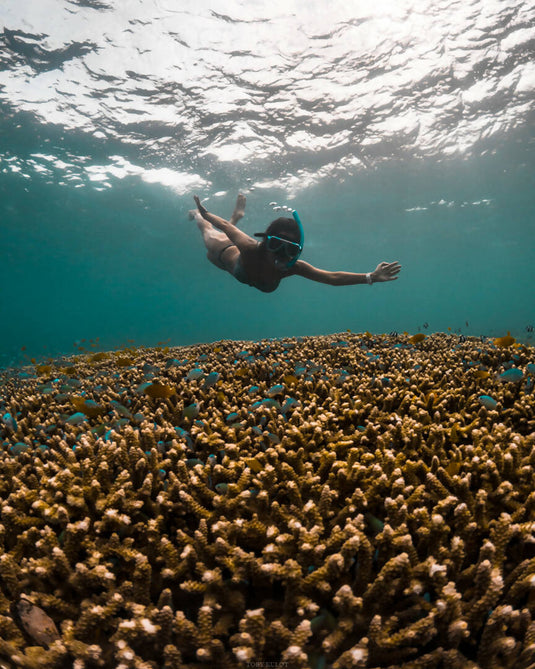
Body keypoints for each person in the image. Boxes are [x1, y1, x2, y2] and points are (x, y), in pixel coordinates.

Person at [189, 193, 401, 293]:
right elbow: (225, 226)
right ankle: (201, 215)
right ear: (265, 242)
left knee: (226, 231)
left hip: (234, 262)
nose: (281, 253)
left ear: (296, 252)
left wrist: (370, 277)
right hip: (221, 253)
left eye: (289, 249)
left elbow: (331, 278)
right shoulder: (248, 247)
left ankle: (234, 216)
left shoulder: (293, 267)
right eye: (275, 244)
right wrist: (204, 213)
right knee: (208, 231)